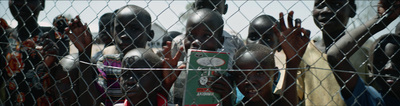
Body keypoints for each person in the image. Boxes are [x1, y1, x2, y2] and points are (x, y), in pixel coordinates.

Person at [295, 0, 400, 105]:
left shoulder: (367, 55)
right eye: (320, 5)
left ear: (352, 9)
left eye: (336, 4)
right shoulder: (302, 53)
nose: (326, 10)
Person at [2, 0, 67, 105]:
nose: (20, 3)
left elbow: (66, 78)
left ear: (42, 4)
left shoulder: (55, 36)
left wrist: (52, 61)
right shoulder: (5, 37)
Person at [369, 34, 400, 105]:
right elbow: (339, 55)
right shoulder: (368, 98)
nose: (389, 67)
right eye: (381, 62)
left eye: (398, 61)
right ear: (370, 70)